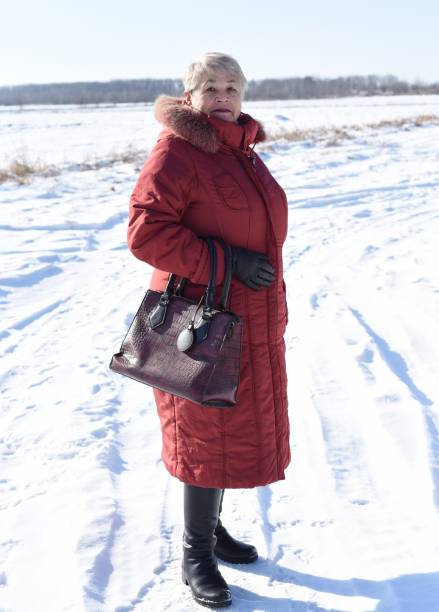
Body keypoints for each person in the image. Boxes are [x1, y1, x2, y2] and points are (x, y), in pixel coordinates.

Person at [127, 52, 290, 609]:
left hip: (248, 317)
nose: (223, 95)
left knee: (226, 432)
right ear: (189, 94)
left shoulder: (241, 153)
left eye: (232, 87)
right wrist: (226, 262)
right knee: (201, 435)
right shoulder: (178, 150)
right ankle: (195, 555)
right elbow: (146, 233)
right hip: (197, 326)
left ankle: (213, 532)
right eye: (211, 87)